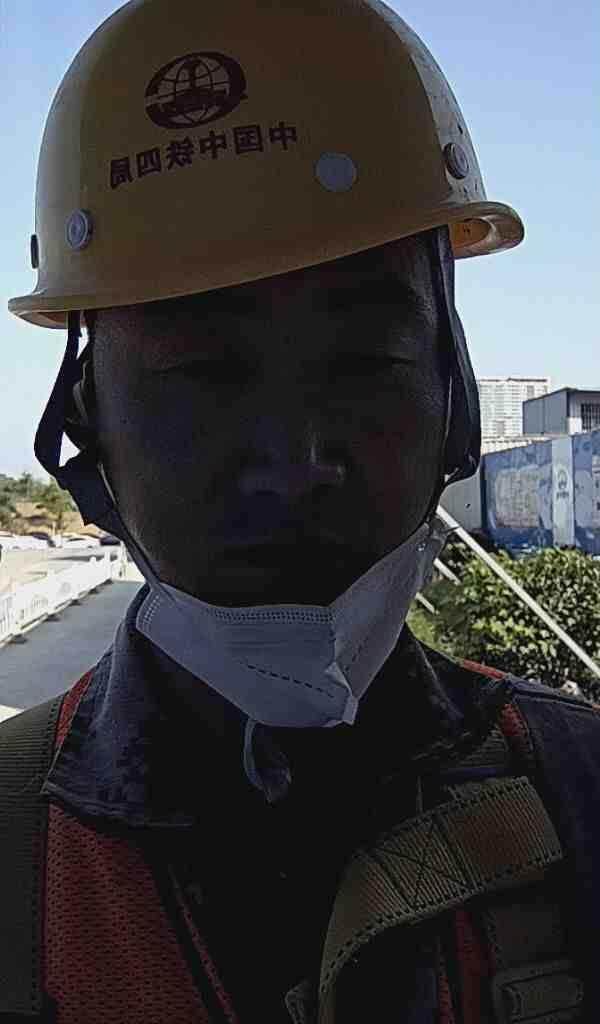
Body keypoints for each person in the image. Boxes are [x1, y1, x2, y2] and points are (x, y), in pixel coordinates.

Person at [3, 1, 600, 1022]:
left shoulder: (580, 791)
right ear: (88, 423)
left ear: (453, 397)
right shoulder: (17, 847)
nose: (296, 462)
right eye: (201, 371)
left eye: (367, 360)